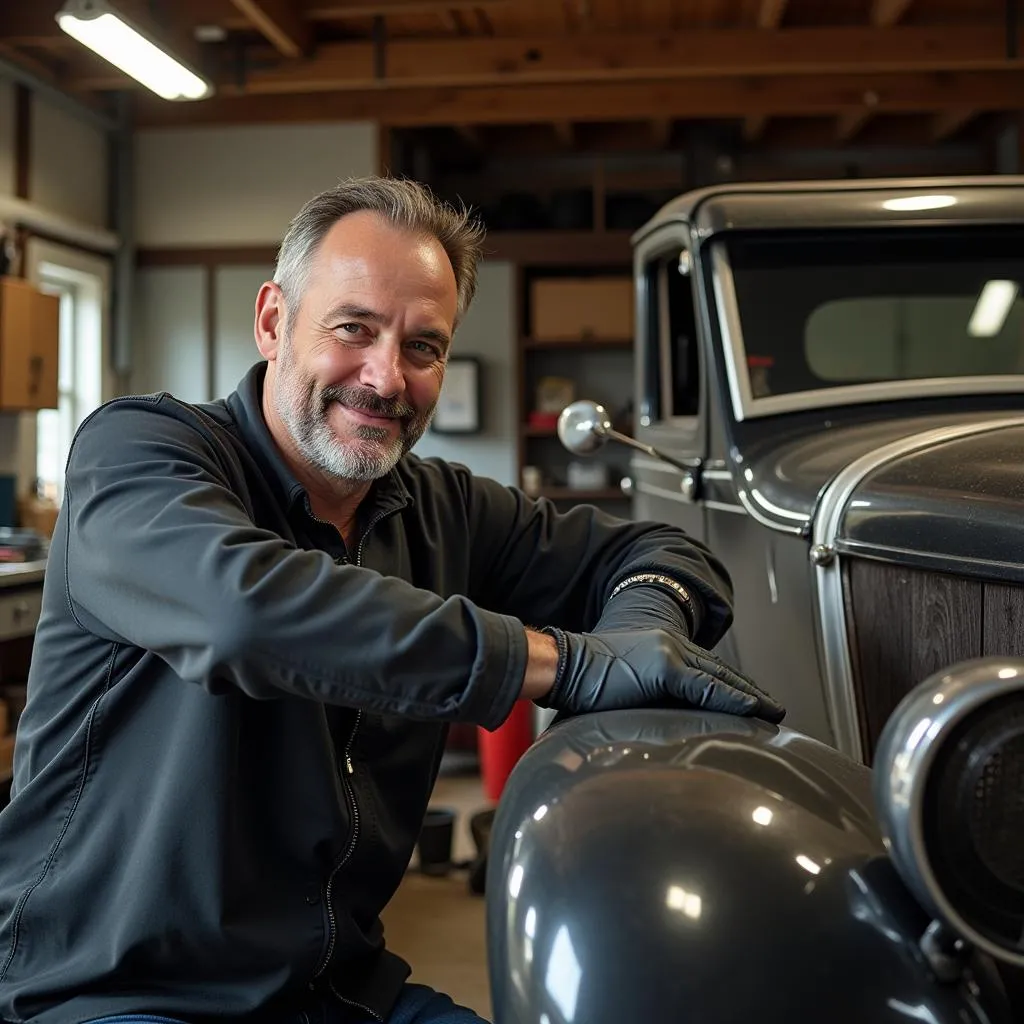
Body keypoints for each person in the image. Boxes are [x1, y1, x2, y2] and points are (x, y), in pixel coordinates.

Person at [0, 177, 784, 1024]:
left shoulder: (443, 509)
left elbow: (662, 553)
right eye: (354, 329)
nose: (385, 378)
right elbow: (245, 612)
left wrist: (644, 628)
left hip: (333, 991)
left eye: (423, 346)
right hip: (112, 993)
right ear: (273, 322)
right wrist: (569, 666)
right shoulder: (139, 452)